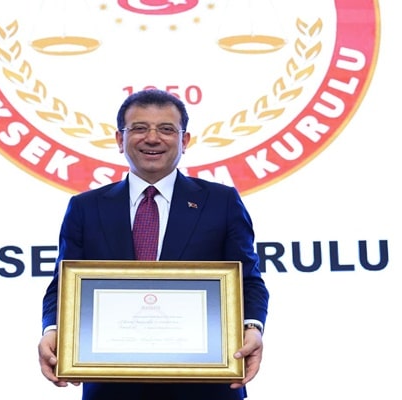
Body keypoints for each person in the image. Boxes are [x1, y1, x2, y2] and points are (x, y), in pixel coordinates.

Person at [38, 89, 269, 400]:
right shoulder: (86, 207)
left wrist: (253, 327)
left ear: (184, 141)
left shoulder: (221, 202)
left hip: (206, 385)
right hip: (113, 386)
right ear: (119, 140)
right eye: (139, 128)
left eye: (166, 129)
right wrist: (53, 330)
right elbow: (63, 287)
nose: (152, 138)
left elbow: (248, 281)